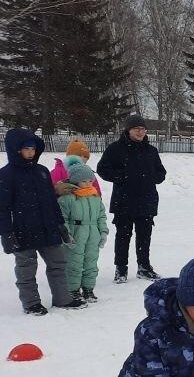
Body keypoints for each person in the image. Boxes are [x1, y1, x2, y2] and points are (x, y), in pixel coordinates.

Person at [0, 128, 85, 314]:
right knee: (26, 269)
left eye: (33, 148)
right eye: (26, 149)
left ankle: (62, 299)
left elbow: (51, 202)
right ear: (16, 150)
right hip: (23, 230)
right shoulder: (6, 175)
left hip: (48, 228)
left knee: (58, 264)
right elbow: (3, 208)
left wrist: (60, 224)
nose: (31, 152)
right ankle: (31, 303)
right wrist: (5, 233)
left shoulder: (42, 171)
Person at [96, 115, 166, 284]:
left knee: (144, 236)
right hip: (124, 200)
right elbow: (102, 169)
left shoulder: (151, 151)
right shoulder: (115, 149)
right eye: (137, 129)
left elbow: (161, 173)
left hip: (146, 200)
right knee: (123, 236)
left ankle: (144, 267)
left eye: (143, 129)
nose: (140, 132)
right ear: (128, 130)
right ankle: (121, 269)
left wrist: (151, 177)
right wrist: (122, 176)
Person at [57, 156, 109, 303]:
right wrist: (67, 235)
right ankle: (73, 290)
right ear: (75, 181)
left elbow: (101, 216)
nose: (87, 184)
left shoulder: (95, 197)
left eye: (90, 181)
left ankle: (88, 288)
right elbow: (63, 219)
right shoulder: (66, 198)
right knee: (74, 262)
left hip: (93, 234)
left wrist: (103, 232)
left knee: (91, 262)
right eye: (84, 181)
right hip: (76, 233)